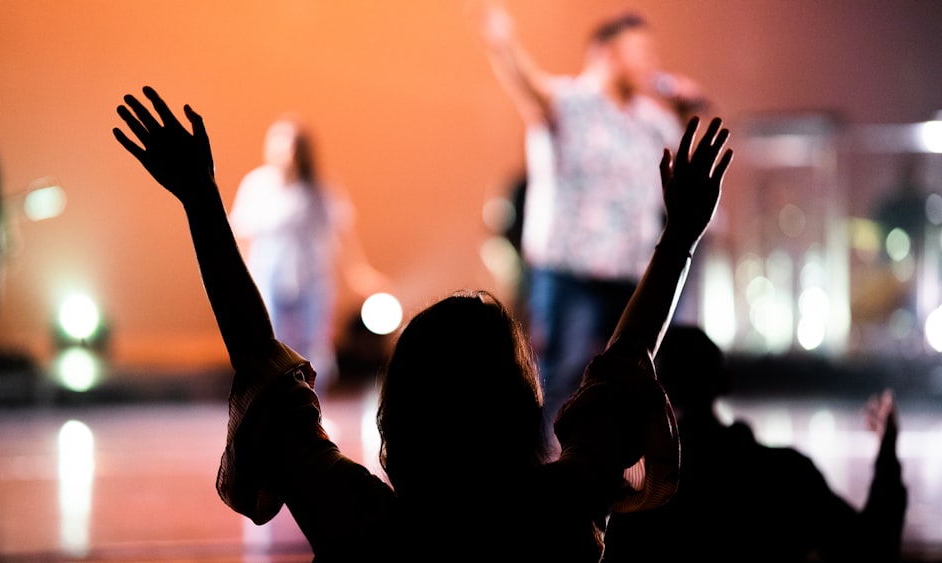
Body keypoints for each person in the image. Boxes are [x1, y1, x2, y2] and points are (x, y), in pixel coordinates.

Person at [112, 85, 732, 561]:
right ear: (521, 405)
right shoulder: (557, 513)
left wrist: (199, 201)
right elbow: (625, 367)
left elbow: (258, 359)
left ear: (398, 411)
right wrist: (677, 237)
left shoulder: (364, 526)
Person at [477, 4, 708, 430]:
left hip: (632, 275)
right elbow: (525, 82)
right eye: (638, 50)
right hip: (571, 273)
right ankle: (551, 477)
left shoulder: (652, 119)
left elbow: (692, 169)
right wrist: (502, 43)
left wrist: (683, 112)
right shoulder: (569, 101)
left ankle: (626, 485)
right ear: (605, 52)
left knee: (637, 382)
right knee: (561, 379)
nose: (649, 62)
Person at [602, 324, 909, 562]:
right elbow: (871, 551)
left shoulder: (632, 497)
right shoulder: (786, 475)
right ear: (724, 382)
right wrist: (887, 451)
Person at [229, 116, 387, 394]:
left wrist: (359, 273)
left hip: (312, 278)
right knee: (272, 344)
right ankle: (275, 410)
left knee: (315, 347)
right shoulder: (257, 185)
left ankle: (313, 410)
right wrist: (243, 279)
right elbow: (241, 234)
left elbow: (341, 234)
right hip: (269, 277)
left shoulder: (319, 189)